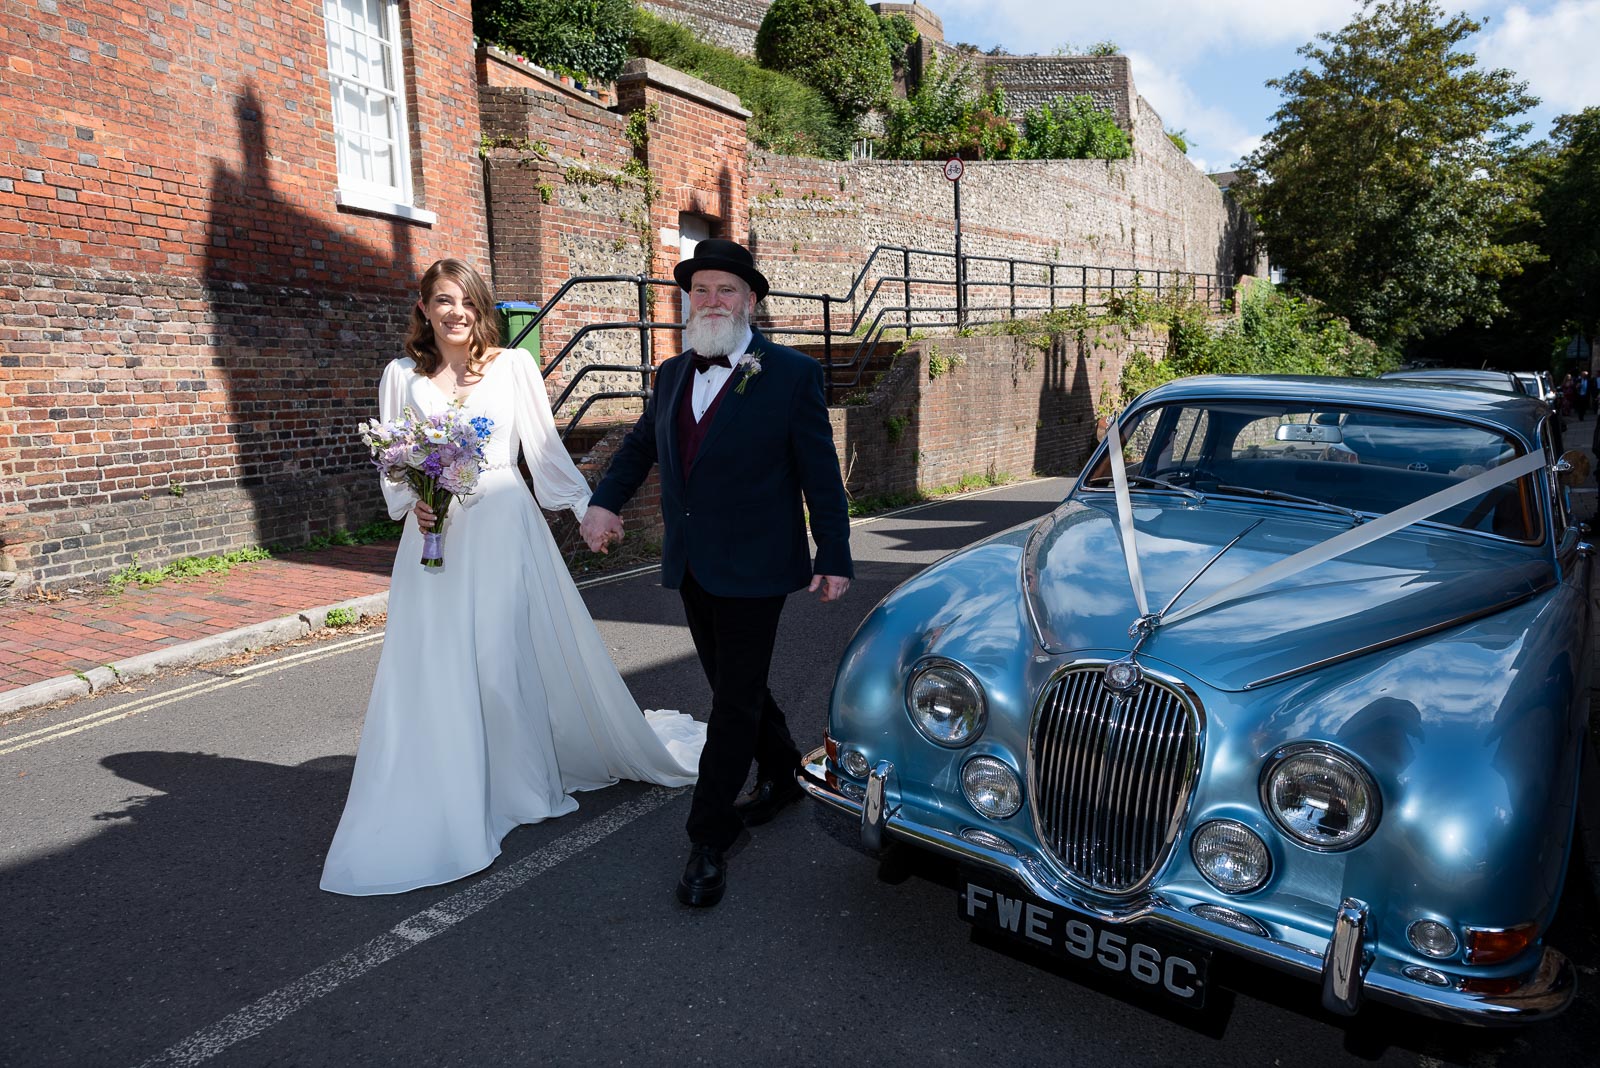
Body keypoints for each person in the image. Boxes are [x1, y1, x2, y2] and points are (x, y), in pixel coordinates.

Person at [321, 259, 705, 896]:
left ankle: (520, 785)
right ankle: (448, 783)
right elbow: (393, 463)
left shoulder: (515, 367)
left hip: (503, 529)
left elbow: (544, 452)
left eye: (468, 301)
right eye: (443, 301)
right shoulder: (400, 376)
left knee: (501, 659)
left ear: (481, 308)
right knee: (439, 663)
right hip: (433, 540)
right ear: (422, 308)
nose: (457, 313)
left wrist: (589, 511)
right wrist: (409, 502)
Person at [579, 239, 853, 908]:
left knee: (730, 701)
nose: (711, 301)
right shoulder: (673, 372)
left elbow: (820, 472)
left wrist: (835, 553)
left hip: (759, 562)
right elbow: (644, 443)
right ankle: (785, 775)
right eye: (700, 289)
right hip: (694, 560)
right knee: (736, 684)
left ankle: (710, 837)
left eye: (725, 290)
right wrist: (604, 501)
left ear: (751, 301)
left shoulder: (790, 374)